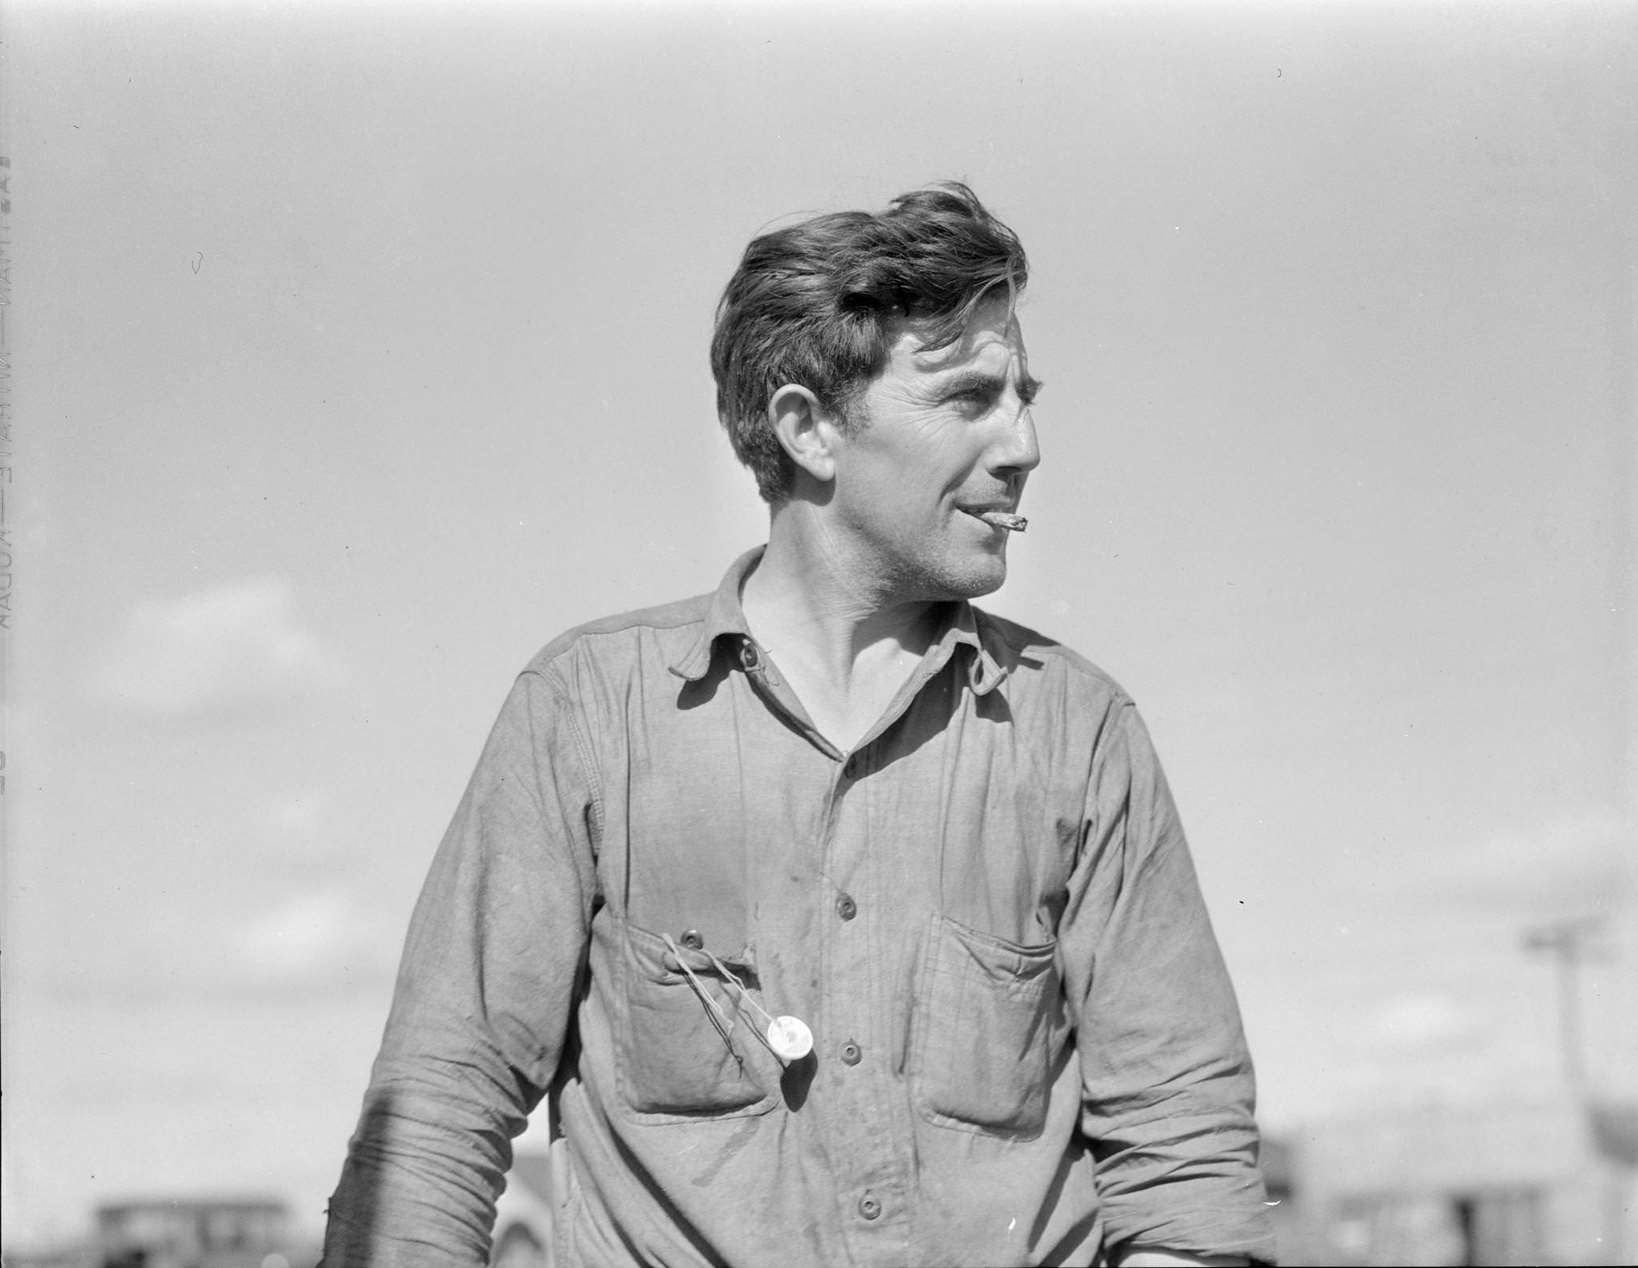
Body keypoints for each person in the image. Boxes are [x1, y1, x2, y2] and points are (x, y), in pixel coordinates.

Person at [322, 183, 1275, 1267]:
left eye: (1026, 395)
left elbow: (1186, 1167)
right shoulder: (590, 713)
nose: (1027, 444)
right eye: (970, 398)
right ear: (809, 428)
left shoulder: (1081, 733)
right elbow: (439, 1110)